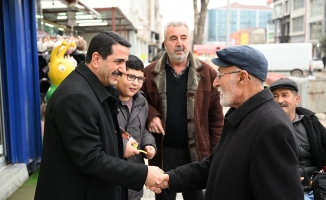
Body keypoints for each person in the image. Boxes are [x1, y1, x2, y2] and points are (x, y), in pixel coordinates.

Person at [149, 45, 304, 200]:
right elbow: (213, 166)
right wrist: (170, 179)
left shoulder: (271, 127)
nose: (215, 82)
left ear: (242, 77)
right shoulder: (241, 115)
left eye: (220, 75)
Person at [34, 31, 164, 200]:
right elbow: (91, 158)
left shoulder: (95, 88)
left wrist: (120, 145)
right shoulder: (77, 96)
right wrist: (144, 173)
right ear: (96, 59)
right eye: (118, 62)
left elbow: (97, 136)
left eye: (125, 62)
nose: (123, 69)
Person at [141, 20, 224, 200]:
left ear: (189, 41)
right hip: (164, 151)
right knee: (163, 197)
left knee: (196, 198)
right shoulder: (149, 72)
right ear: (165, 44)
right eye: (173, 38)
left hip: (196, 154)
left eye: (184, 37)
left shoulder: (208, 73)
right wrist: (151, 115)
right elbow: (139, 101)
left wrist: (215, 155)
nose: (179, 43)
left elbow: (217, 118)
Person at [269, 78, 326, 200]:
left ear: (297, 99)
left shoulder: (311, 122)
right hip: (281, 190)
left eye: (285, 95)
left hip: (314, 188)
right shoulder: (264, 126)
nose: (280, 100)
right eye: (275, 96)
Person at [116, 54, 157, 200]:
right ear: (118, 75)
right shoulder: (107, 102)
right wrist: (122, 145)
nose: (136, 83)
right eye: (131, 77)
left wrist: (149, 144)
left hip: (133, 183)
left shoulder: (141, 101)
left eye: (140, 79)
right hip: (112, 180)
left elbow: (143, 128)